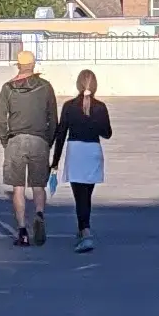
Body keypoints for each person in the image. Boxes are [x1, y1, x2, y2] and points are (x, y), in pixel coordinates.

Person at [0, 44, 58, 248]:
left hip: (15, 140)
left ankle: (22, 230)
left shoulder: (7, 89)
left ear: (18, 66)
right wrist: (49, 140)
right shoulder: (46, 87)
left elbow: (0, 119)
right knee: (38, 185)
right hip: (39, 139)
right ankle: (38, 213)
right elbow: (53, 118)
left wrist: (6, 140)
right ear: (33, 65)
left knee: (18, 187)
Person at [53, 70, 112, 251]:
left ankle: (85, 232)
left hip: (75, 152)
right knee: (87, 195)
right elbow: (107, 133)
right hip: (92, 151)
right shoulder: (100, 107)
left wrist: (55, 162)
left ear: (78, 85)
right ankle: (83, 230)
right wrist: (94, 123)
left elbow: (61, 133)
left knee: (80, 197)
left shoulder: (69, 106)